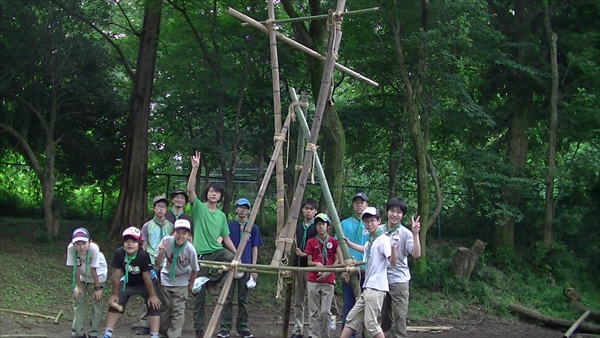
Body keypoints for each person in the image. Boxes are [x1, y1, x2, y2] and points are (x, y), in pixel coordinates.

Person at [186, 150, 237, 338]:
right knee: (197, 297)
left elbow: (226, 238)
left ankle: (212, 282)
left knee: (230, 258)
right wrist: (195, 169)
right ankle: (199, 330)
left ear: (221, 196)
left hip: (217, 252)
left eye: (217, 192)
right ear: (206, 193)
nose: (214, 194)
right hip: (200, 257)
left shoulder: (222, 216)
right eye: (211, 191)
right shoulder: (198, 208)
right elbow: (189, 190)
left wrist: (237, 253)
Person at [340, 207, 398, 338]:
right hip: (368, 287)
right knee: (352, 318)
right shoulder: (371, 241)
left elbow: (393, 263)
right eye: (367, 221)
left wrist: (393, 248)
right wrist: (349, 244)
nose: (370, 224)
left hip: (376, 288)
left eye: (372, 220)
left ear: (379, 221)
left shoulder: (383, 240)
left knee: (371, 323)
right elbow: (364, 248)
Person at [102, 227, 162, 338]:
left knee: (154, 305)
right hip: (127, 281)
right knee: (115, 304)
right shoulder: (119, 253)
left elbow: (147, 277)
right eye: (127, 241)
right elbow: (116, 274)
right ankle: (107, 334)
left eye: (134, 241)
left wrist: (152, 295)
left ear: (139, 244)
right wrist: (114, 294)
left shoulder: (143, 255)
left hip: (146, 283)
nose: (130, 244)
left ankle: (154, 335)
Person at [217, 198, 263, 338]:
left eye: (245, 207)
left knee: (243, 299)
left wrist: (253, 268)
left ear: (249, 210)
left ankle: (242, 327)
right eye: (239, 207)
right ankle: (224, 328)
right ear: (236, 209)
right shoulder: (229, 225)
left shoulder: (253, 227)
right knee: (227, 298)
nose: (242, 210)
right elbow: (220, 241)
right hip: (230, 265)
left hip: (246, 265)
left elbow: (255, 248)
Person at [380, 198, 421, 338]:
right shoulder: (379, 230)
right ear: (387, 212)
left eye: (399, 212)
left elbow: (416, 254)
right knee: (383, 317)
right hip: (381, 280)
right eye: (392, 210)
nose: (395, 214)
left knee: (399, 317)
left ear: (402, 215)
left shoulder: (406, 233)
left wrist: (415, 234)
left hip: (399, 280)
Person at [155, 219, 200, 338]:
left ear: (189, 235)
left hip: (182, 281)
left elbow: (195, 269)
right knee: (166, 308)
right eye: (178, 232)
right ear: (172, 232)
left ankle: (174, 335)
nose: (180, 236)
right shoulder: (166, 241)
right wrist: (161, 253)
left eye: (184, 233)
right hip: (166, 279)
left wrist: (190, 286)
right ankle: (163, 333)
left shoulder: (190, 249)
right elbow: (157, 263)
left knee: (178, 310)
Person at [137, 195, 173, 335]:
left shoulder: (171, 226)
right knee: (149, 292)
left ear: (166, 209)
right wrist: (144, 262)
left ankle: (160, 324)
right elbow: (144, 245)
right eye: (158, 207)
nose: (161, 209)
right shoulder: (147, 226)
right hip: (151, 262)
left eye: (163, 207)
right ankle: (144, 323)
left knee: (163, 294)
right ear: (153, 208)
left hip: (166, 264)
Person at [304, 213, 343, 338]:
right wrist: (316, 264)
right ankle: (314, 335)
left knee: (325, 311)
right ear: (315, 226)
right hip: (313, 279)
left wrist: (328, 271)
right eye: (318, 224)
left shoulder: (333, 241)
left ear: (328, 226)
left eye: (323, 224)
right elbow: (309, 262)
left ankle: (325, 335)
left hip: (329, 279)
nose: (321, 227)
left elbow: (338, 261)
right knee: (313, 310)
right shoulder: (311, 242)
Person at [66, 228, 108, 338]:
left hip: (98, 275)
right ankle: (77, 333)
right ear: (73, 243)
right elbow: (75, 268)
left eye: (84, 243)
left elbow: (94, 269)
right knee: (78, 299)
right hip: (83, 275)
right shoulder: (71, 249)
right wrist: (78, 286)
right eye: (77, 244)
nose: (81, 247)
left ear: (90, 241)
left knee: (97, 302)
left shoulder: (94, 249)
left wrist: (98, 289)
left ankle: (93, 333)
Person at [338, 192, 370, 337]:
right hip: (349, 272)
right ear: (352, 204)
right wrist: (343, 268)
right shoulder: (344, 224)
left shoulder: (371, 225)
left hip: (367, 272)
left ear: (366, 205)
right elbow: (338, 245)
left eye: (362, 202)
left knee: (368, 310)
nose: (359, 205)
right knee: (349, 309)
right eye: (356, 202)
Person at [290, 198, 318, 338]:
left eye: (311, 209)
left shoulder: (317, 227)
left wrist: (305, 254)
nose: (308, 211)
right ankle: (297, 329)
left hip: (312, 268)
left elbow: (319, 247)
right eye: (306, 208)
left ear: (315, 212)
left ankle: (313, 331)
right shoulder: (297, 226)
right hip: (298, 266)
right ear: (302, 210)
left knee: (313, 301)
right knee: (298, 300)